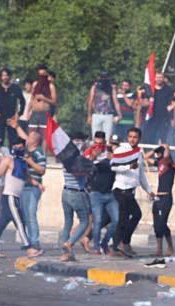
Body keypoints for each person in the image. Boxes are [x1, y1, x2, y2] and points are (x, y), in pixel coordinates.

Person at [0, 122, 31, 258]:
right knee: (20, 222)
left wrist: (38, 185)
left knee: (2, 223)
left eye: (20, 146)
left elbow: (27, 177)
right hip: (9, 196)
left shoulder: (22, 162)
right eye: (16, 146)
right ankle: (29, 247)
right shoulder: (7, 160)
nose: (18, 148)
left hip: (16, 196)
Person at [111, 126, 151, 257]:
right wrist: (128, 166)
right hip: (120, 189)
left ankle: (119, 245)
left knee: (130, 216)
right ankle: (121, 244)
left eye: (135, 137)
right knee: (129, 216)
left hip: (130, 190)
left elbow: (141, 175)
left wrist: (149, 191)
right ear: (127, 138)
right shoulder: (121, 150)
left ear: (139, 139)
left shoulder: (139, 153)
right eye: (130, 137)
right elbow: (114, 167)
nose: (132, 140)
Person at [85, 131, 120, 255]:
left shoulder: (111, 153)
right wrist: (92, 157)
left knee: (116, 220)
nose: (98, 146)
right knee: (98, 221)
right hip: (96, 193)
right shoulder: (91, 152)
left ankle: (104, 243)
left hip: (110, 194)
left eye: (101, 143)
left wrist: (113, 158)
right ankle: (96, 247)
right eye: (96, 143)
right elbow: (85, 166)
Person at [59, 132, 91, 261]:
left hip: (66, 191)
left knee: (68, 222)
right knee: (85, 221)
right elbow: (78, 172)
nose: (80, 142)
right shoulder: (77, 157)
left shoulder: (64, 156)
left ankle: (65, 253)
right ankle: (69, 243)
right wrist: (89, 169)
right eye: (78, 140)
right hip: (77, 192)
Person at [21, 129, 47, 256]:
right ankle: (29, 242)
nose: (26, 139)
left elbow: (42, 170)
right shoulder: (26, 152)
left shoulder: (38, 153)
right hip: (24, 187)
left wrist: (29, 161)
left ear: (34, 140)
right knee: (25, 216)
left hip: (33, 189)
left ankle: (36, 244)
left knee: (31, 215)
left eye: (29, 137)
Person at [0, 68, 26, 146]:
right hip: (0, 116)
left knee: (13, 138)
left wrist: (18, 114)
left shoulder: (15, 88)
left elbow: (23, 101)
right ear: (0, 77)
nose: (5, 77)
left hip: (12, 117)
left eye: (6, 75)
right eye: (3, 76)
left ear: (9, 76)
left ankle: (13, 156)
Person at [150, 143, 175, 257]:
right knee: (156, 224)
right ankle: (159, 249)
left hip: (166, 197)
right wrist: (154, 149)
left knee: (162, 223)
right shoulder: (159, 164)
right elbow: (146, 158)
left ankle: (170, 247)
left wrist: (166, 147)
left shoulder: (170, 164)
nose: (159, 155)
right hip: (157, 197)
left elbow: (166, 156)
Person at [87, 72, 122, 142]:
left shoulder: (111, 88)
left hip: (108, 114)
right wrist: (89, 115)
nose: (103, 79)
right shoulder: (95, 87)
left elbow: (115, 101)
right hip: (97, 114)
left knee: (107, 138)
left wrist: (119, 114)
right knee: (95, 137)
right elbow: (90, 101)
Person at [27, 65, 57, 138]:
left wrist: (44, 98)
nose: (42, 77)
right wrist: (28, 112)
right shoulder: (35, 84)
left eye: (43, 75)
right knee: (32, 135)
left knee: (44, 136)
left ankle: (43, 150)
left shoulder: (51, 86)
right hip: (34, 113)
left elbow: (54, 102)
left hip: (45, 113)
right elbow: (32, 99)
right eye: (40, 75)